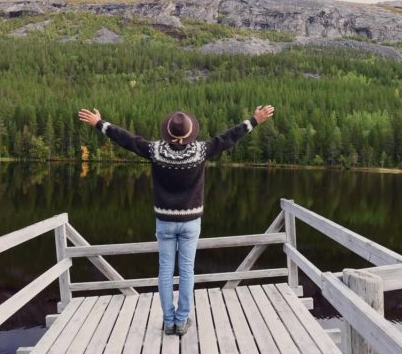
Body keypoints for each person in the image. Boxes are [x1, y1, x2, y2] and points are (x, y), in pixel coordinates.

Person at [78, 105, 275, 335]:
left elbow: (127, 139)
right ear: (190, 133)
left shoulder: (156, 150)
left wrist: (100, 123)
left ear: (168, 132)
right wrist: (254, 120)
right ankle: (181, 321)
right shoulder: (201, 151)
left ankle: (169, 321)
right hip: (191, 222)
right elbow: (228, 138)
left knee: (165, 272)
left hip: (164, 221)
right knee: (187, 271)